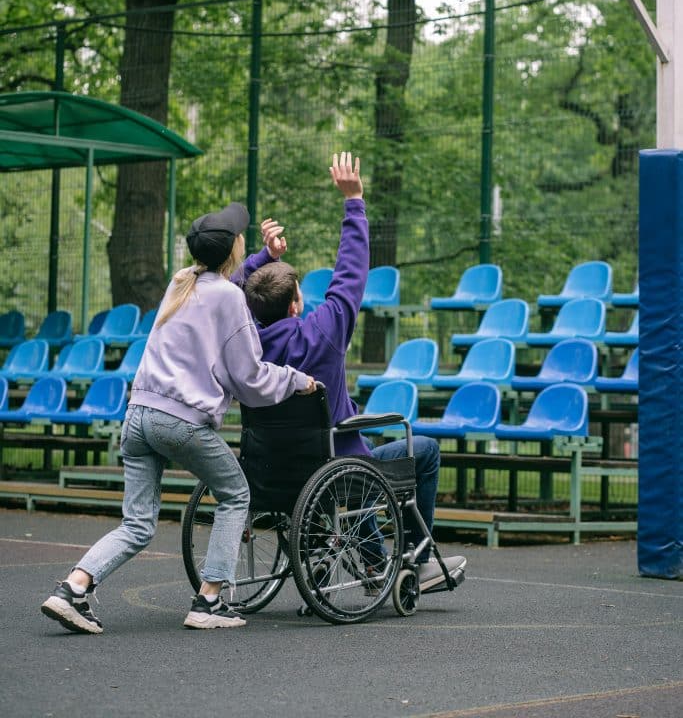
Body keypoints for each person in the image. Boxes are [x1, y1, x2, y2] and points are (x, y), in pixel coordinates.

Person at [41, 203, 316, 635]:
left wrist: (266, 258)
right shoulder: (229, 297)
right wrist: (297, 380)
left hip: (137, 416)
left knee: (136, 524)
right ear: (234, 248)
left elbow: (230, 281)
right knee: (235, 494)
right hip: (179, 421)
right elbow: (251, 379)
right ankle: (208, 601)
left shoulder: (181, 282)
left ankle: (72, 589)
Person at [244, 152, 467, 593]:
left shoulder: (244, 343)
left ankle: (373, 564)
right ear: (295, 305)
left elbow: (233, 295)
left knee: (350, 467)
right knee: (419, 450)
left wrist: (258, 260)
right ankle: (417, 557)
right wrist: (355, 202)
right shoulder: (322, 335)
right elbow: (350, 274)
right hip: (336, 470)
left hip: (275, 474)